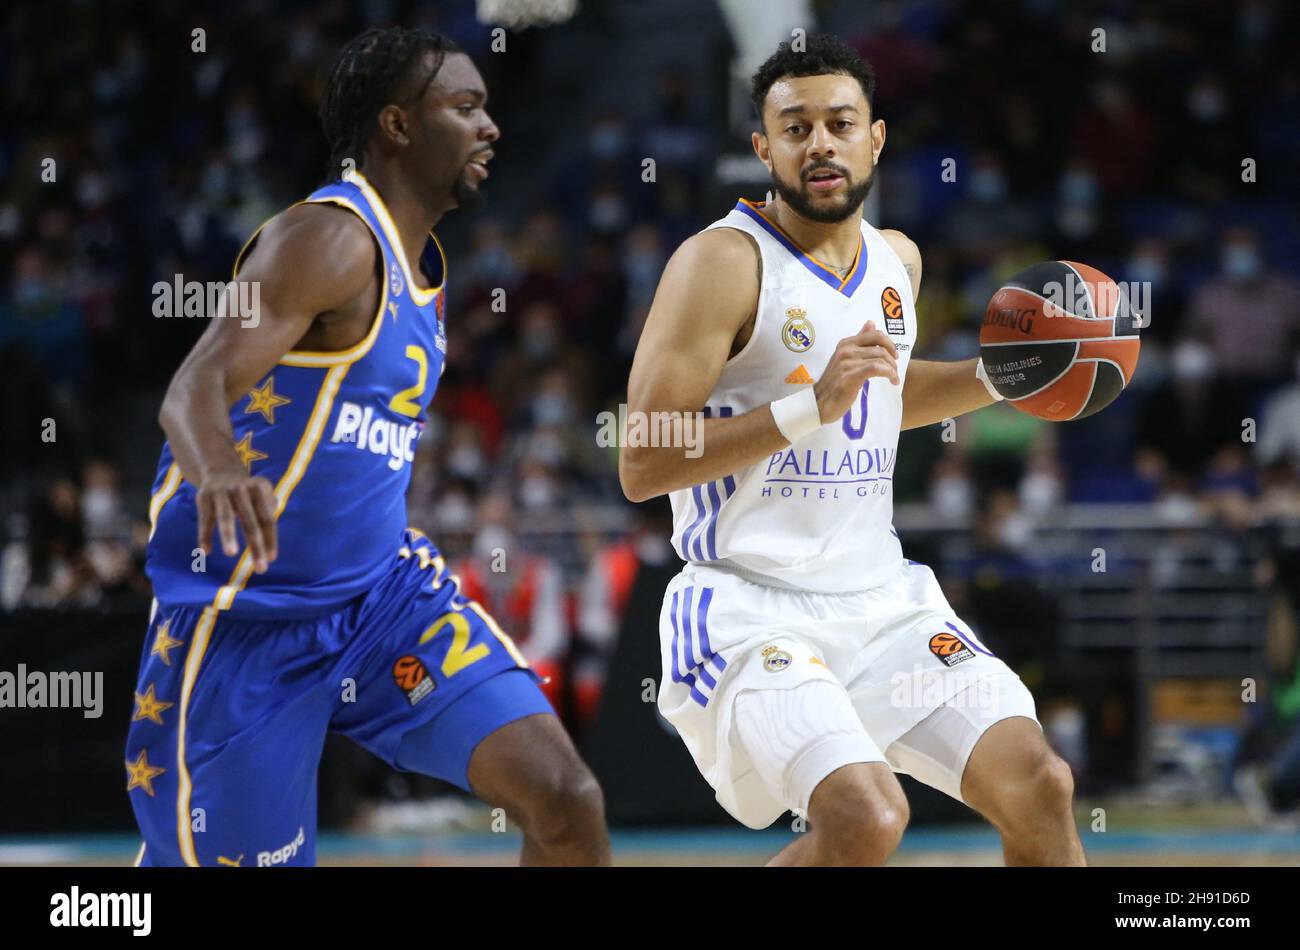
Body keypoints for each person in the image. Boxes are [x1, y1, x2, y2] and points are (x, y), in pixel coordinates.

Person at [126, 26, 609, 867]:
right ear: (397, 126)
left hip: (382, 599)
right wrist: (220, 466)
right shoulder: (328, 239)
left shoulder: (422, 261)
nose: (491, 126)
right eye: (465, 108)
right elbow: (193, 387)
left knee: (565, 799)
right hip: (249, 625)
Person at [621, 34, 1085, 865]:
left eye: (840, 123)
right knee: (867, 819)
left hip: (884, 603)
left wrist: (1003, 377)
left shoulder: (896, 260)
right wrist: (805, 408)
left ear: (876, 137)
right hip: (746, 608)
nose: (820, 142)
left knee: (1041, 786)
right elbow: (642, 457)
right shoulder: (719, 263)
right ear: (764, 149)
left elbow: (884, 397)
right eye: (795, 129)